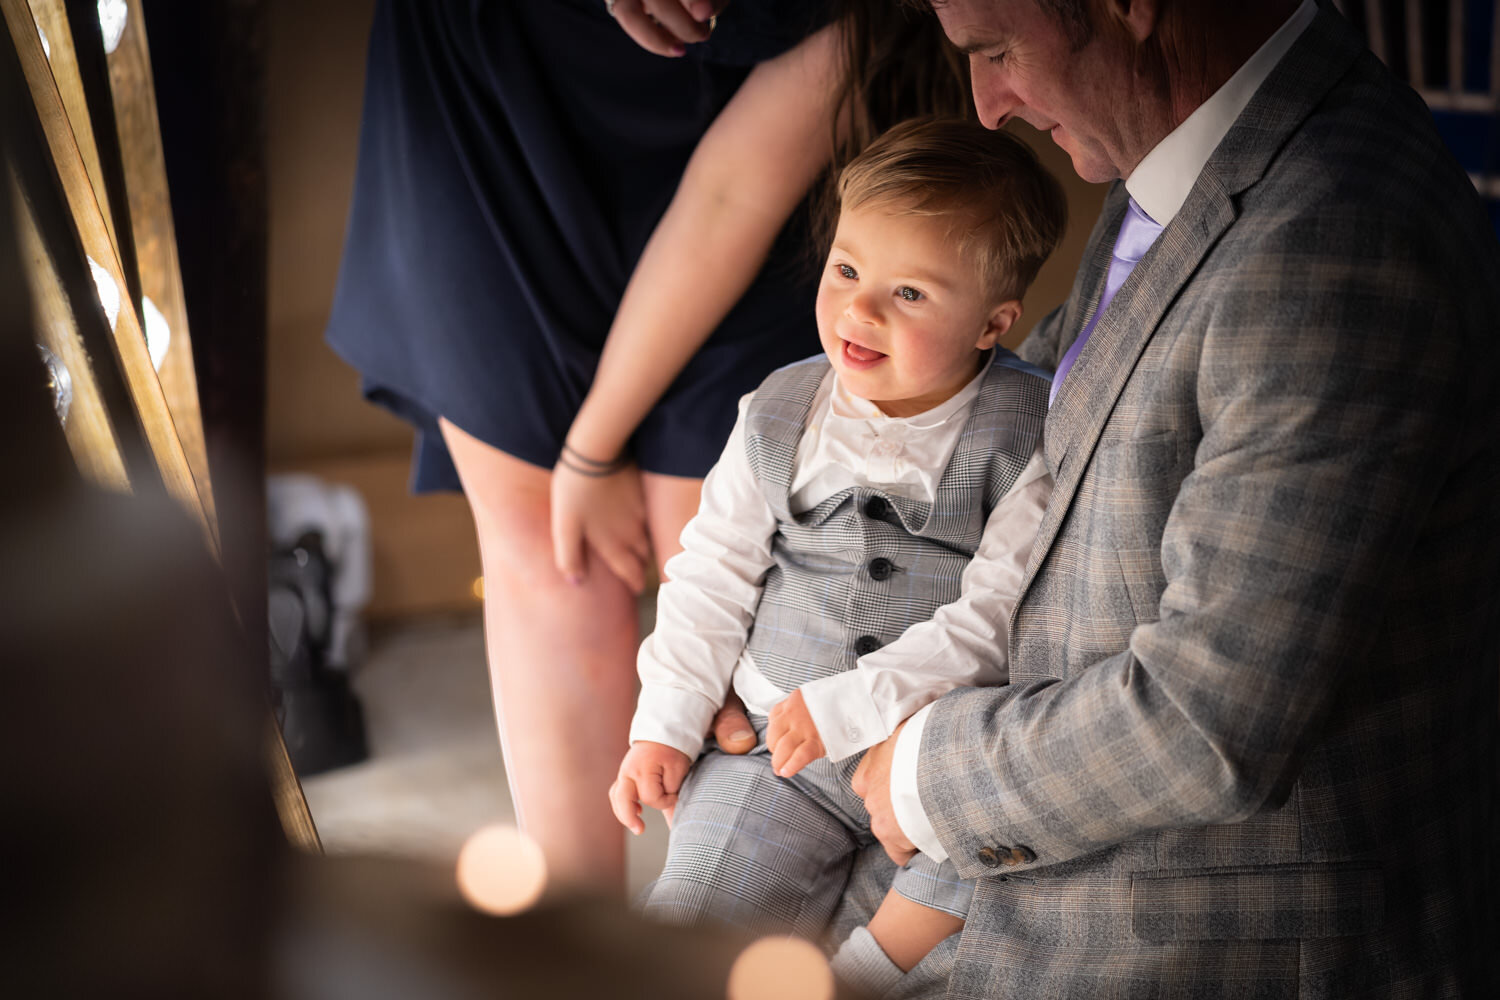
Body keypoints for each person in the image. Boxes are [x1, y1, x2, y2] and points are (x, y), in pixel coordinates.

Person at [819, 1, 1500, 995]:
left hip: (1208, 947)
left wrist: (928, 777)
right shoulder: (1199, 153)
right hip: (1038, 861)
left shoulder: (1334, 237)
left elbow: (1206, 716)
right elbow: (1054, 420)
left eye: (1000, 50)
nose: (987, 106)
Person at [323, 0, 970, 891]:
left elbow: (728, 195)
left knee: (721, 554)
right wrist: (576, 467)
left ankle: (715, 915)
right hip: (489, 94)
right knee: (549, 549)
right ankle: (576, 940)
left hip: (748, 168)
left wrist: (594, 449)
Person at [610, 117, 1066, 996]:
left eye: (912, 294)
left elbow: (998, 615)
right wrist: (665, 719)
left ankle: (860, 977)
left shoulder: (1027, 433)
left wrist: (864, 706)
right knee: (694, 918)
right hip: (774, 755)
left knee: (985, 893)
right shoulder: (779, 410)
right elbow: (710, 573)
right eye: (848, 270)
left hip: (934, 754)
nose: (860, 309)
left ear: (992, 324)